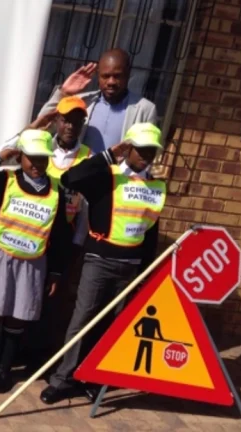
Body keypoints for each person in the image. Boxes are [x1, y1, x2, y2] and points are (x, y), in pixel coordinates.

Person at [40, 123, 167, 404]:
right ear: (129, 148)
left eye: (151, 150)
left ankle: (94, 378)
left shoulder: (156, 185)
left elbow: (151, 231)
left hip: (131, 266)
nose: (146, 155)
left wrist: (146, 271)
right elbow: (70, 179)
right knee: (81, 320)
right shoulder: (107, 175)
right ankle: (63, 379)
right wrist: (109, 155)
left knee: (115, 326)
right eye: (141, 149)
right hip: (99, 260)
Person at [0, 129, 71, 395]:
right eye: (31, 157)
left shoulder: (57, 190)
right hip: (0, 254)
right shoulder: (4, 180)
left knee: (18, 318)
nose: (36, 164)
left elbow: (60, 235)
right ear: (21, 156)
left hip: (33, 261)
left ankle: (3, 370)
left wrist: (56, 272)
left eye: (42, 158)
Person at [22, 96, 92, 369]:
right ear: (57, 121)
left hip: (65, 240)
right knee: (26, 294)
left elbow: (86, 208)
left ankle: (40, 358)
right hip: (33, 234)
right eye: (65, 120)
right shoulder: (40, 148)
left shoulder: (89, 157)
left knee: (53, 301)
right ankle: (16, 350)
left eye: (76, 121)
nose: (70, 126)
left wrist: (75, 247)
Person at [38, 49, 157, 153]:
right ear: (98, 76)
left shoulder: (145, 109)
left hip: (116, 177)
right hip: (77, 174)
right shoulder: (82, 101)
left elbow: (147, 153)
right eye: (105, 76)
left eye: (117, 76)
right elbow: (42, 127)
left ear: (128, 75)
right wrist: (64, 92)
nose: (111, 82)